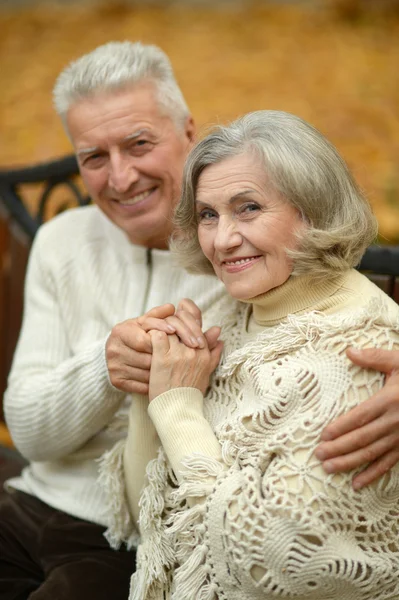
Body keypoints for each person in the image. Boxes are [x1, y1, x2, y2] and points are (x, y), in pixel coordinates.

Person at [1, 40, 399, 598]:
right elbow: (31, 430)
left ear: (186, 131)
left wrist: (173, 400)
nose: (120, 178)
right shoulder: (74, 243)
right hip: (59, 504)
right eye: (93, 157)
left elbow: (347, 309)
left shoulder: (257, 277)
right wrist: (117, 369)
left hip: (132, 548)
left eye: (139, 143)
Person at [106, 110, 399, 600]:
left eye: (248, 208)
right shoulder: (230, 310)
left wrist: (177, 406)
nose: (222, 240)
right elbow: (148, 522)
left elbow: (270, 562)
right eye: (207, 214)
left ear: (313, 211)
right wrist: (153, 384)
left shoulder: (361, 355)